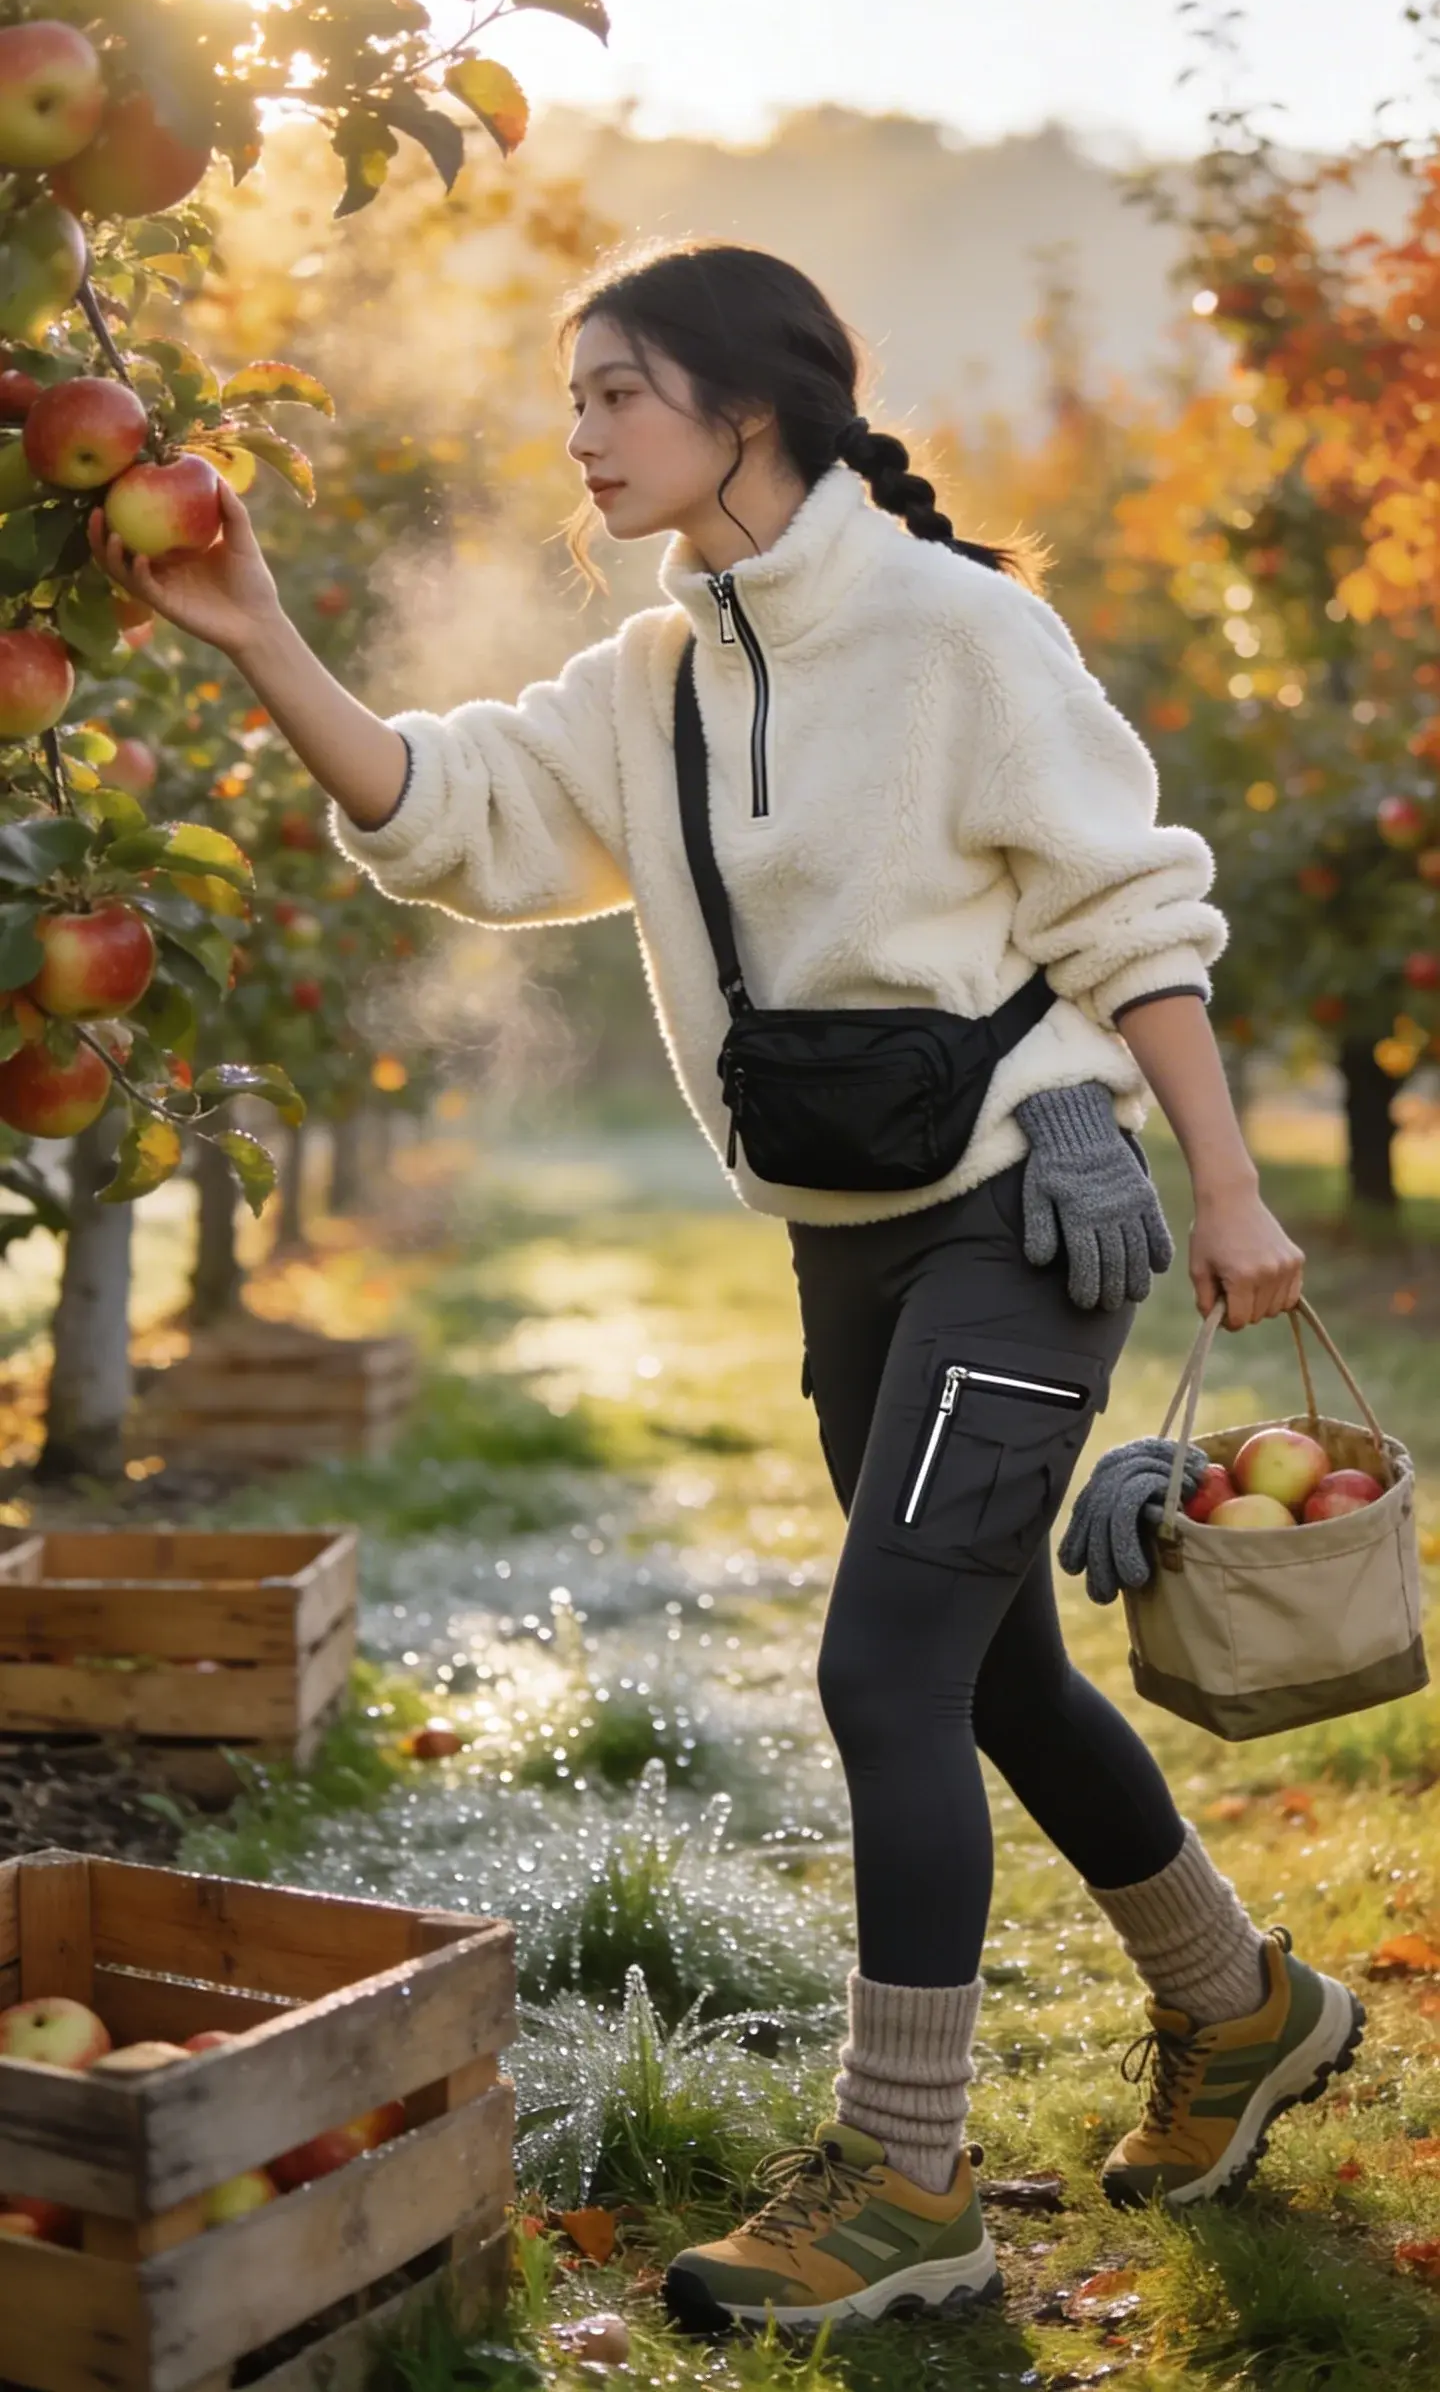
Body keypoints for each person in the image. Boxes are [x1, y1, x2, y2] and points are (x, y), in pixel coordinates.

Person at [92, 238, 1363, 2340]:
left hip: (1028, 1223)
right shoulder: (652, 681)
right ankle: (1244, 2005)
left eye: (614, 390)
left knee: (884, 1671)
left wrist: (1226, 1181)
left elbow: (1134, 907)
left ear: (744, 408)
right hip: (849, 1238)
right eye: (571, 394)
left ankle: (904, 2179)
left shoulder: (960, 631)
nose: (577, 432)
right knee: (989, 1671)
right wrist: (260, 633)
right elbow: (449, 818)